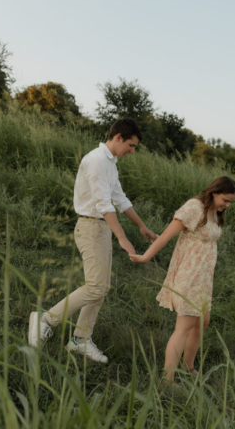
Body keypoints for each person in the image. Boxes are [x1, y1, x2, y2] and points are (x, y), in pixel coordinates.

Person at [28, 118, 157, 362]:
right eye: (131, 145)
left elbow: (119, 198)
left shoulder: (111, 163)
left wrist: (142, 227)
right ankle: (45, 318)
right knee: (96, 286)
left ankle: (80, 340)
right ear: (118, 137)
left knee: (101, 288)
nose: (132, 151)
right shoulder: (97, 160)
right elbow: (103, 203)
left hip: (101, 228)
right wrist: (122, 237)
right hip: (91, 227)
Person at [129, 176, 235, 382]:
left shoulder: (215, 211)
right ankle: (167, 380)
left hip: (204, 279)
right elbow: (167, 235)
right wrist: (146, 256)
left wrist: (221, 207)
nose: (227, 205)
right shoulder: (194, 207)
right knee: (184, 327)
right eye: (225, 199)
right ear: (214, 192)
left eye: (231, 202)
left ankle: (188, 367)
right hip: (190, 275)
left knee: (201, 324)